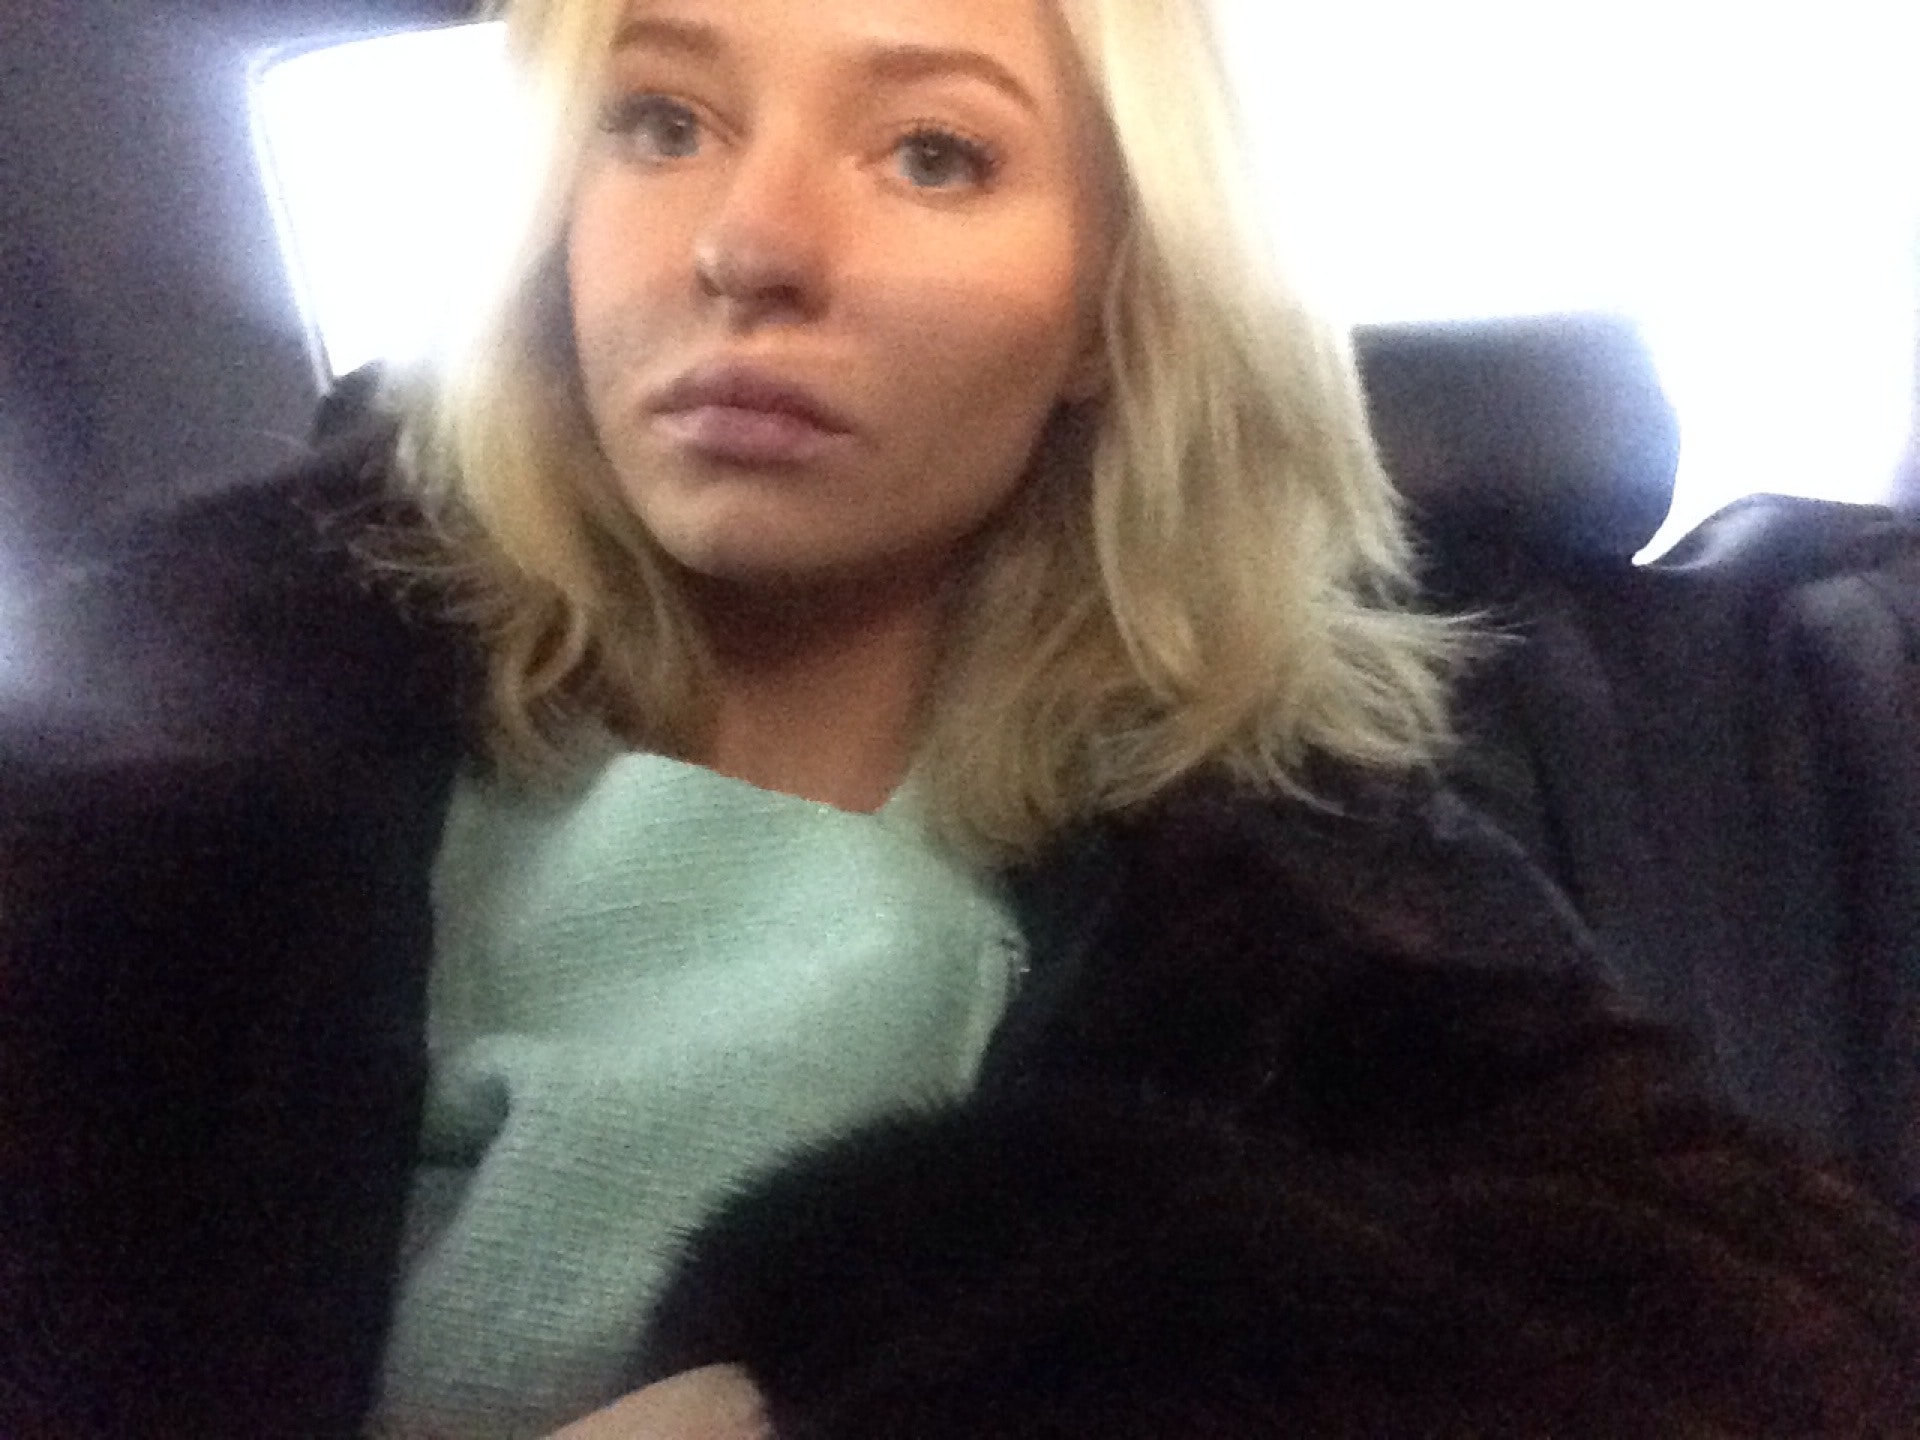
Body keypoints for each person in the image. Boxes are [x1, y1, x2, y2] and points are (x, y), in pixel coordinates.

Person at [2, 0, 1914, 1435]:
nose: (750, 244)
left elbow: (1781, 1333)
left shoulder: (1313, 867)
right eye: (658, 122)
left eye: (933, 153)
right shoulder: (159, 727)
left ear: (1103, 308)